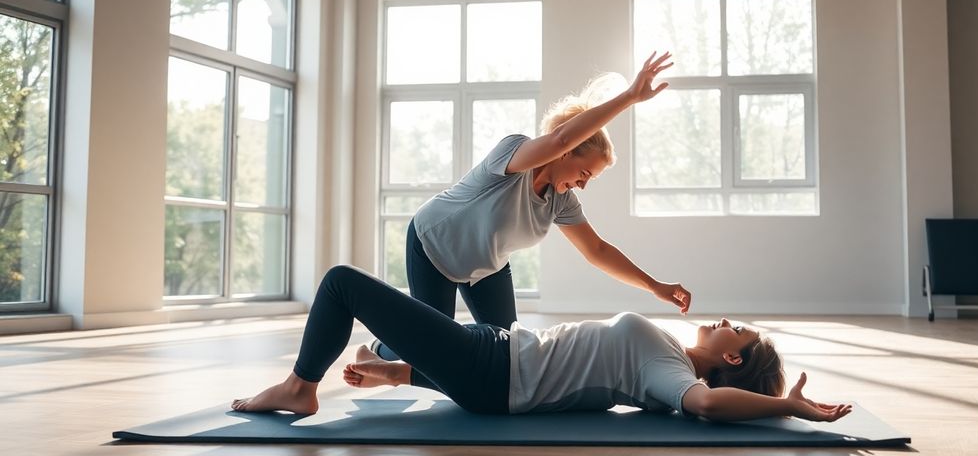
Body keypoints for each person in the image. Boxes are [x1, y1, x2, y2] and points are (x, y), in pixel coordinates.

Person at [373, 51, 693, 362]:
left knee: (507, 350)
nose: (583, 185)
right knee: (428, 346)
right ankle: (380, 348)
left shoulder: (560, 201)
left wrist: (654, 286)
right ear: (566, 154)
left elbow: (597, 250)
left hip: (487, 265)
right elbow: (559, 140)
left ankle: (446, 338)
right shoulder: (514, 155)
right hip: (435, 244)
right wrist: (630, 97)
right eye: (584, 174)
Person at [233, 265, 852, 423]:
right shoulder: (665, 362)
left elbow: (712, 406)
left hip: (488, 367)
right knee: (380, 334)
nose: (724, 320)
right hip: (493, 351)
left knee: (342, 285)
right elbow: (557, 383)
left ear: (732, 358)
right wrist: (402, 378)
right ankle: (387, 363)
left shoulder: (671, 376)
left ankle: (298, 388)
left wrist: (791, 407)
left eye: (734, 329)